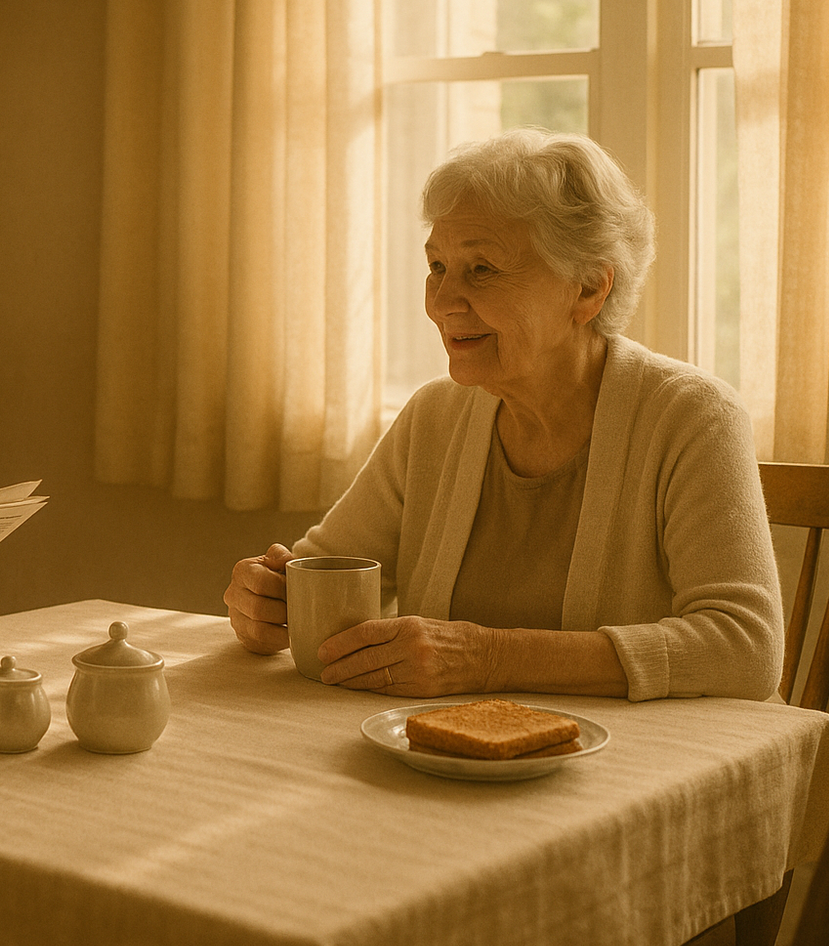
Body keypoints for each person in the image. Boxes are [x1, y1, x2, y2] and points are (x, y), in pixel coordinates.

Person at [224, 128, 782, 702]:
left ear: (588, 288)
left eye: (482, 269)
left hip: (642, 770)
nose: (442, 301)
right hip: (448, 753)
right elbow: (320, 576)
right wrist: (269, 602)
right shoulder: (434, 418)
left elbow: (744, 647)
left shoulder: (692, 417)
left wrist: (487, 659)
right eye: (437, 266)